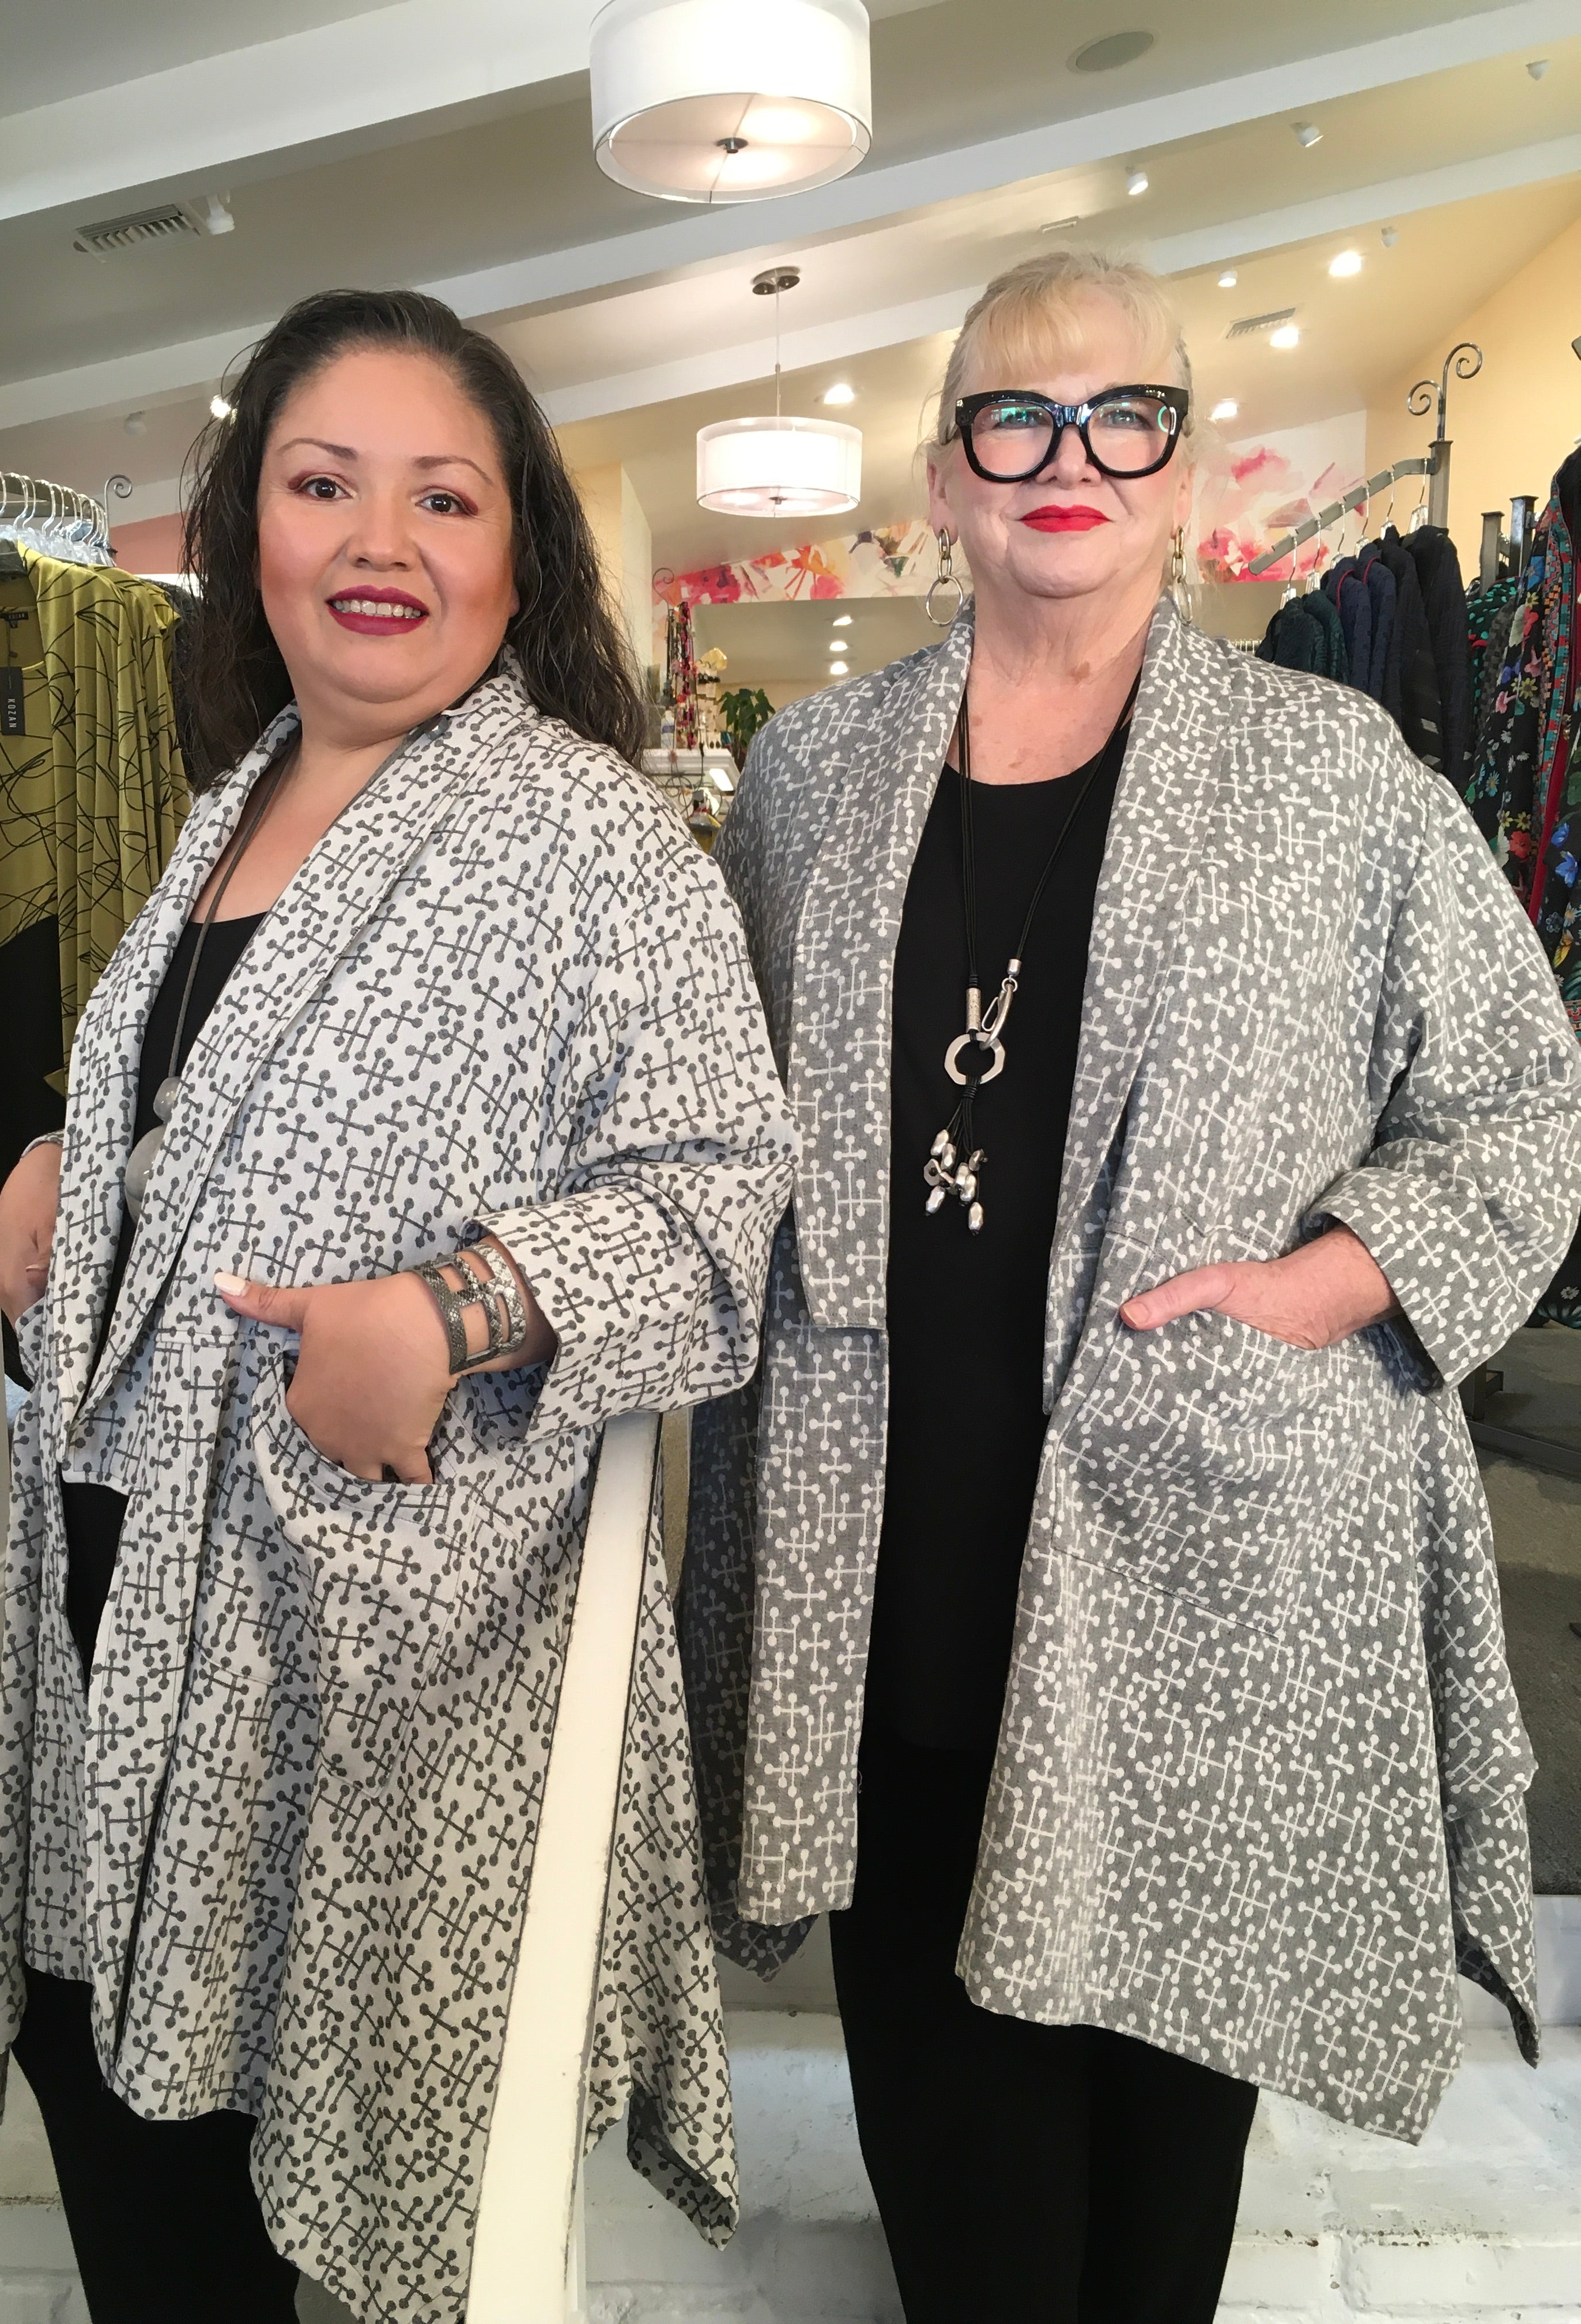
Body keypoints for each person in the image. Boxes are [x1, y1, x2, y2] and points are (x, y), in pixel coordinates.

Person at [679, 247, 1581, 2323]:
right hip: (890, 1579)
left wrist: (1335, 1285)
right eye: (1015, 415)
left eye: (1120, 415)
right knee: (959, 2180)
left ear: (1181, 464)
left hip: (1205, 1580)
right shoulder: (811, 781)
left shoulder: (1332, 772)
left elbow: (1524, 1106)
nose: (1067, 455)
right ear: (946, 475)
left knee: (1156, 2209)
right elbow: (700, 1107)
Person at [0, 288, 793, 2324]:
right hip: (120, 1607)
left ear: (519, 552)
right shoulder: (231, 801)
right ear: (249, 527)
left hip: (360, 1671)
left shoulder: (595, 840)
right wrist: (82, 1154)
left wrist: (455, 1313)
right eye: (324, 485)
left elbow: (720, 1212)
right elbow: (221, 1104)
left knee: (290, 2207)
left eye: (444, 497)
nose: (379, 543)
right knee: (124, 2151)